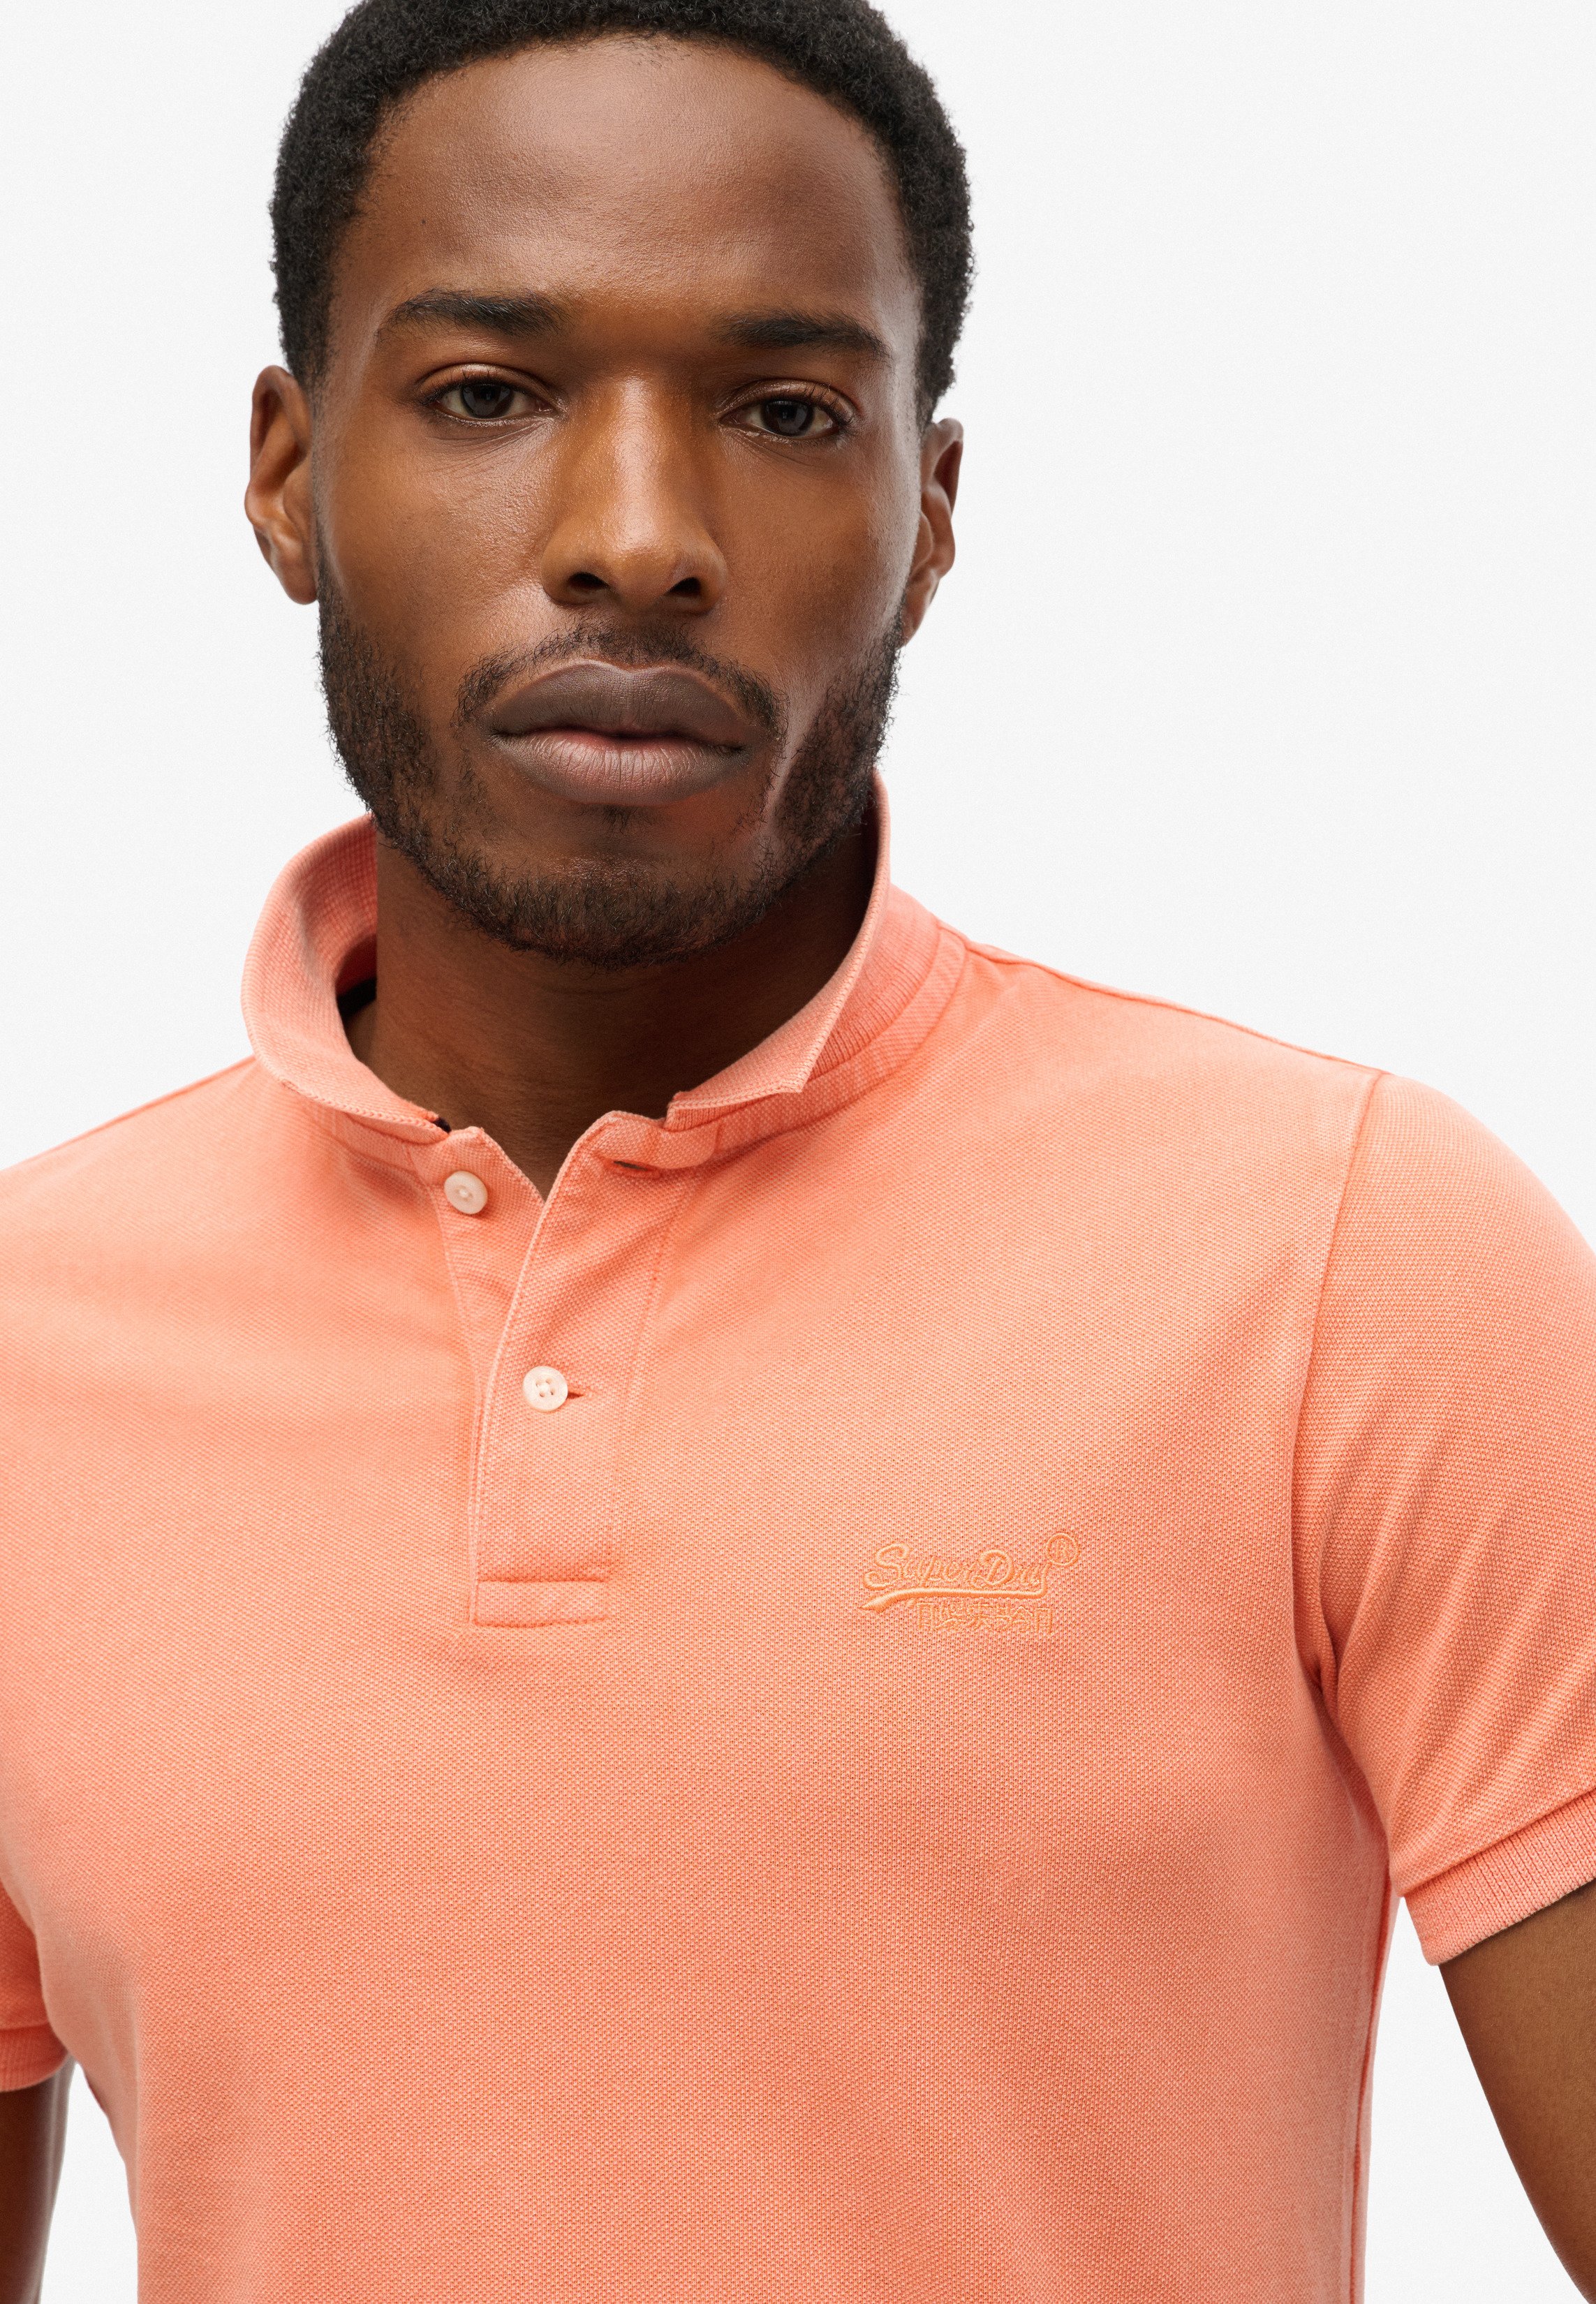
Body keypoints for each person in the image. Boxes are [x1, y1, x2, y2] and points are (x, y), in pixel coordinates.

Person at [2, 0, 1593, 2296]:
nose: (640, 539)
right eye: (490, 393)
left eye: (782, 412)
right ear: (285, 473)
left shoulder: (1351, 1256)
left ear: (927, 513)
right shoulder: (28, 1350)